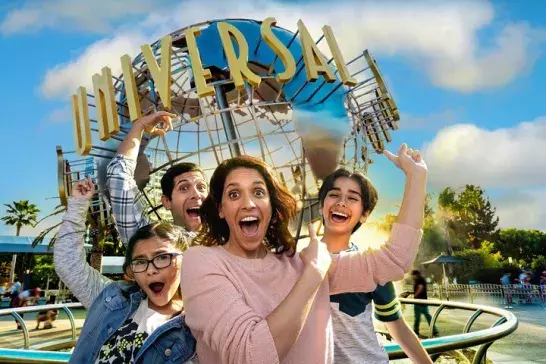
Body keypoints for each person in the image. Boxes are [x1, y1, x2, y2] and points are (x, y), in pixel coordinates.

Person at [181, 143, 426, 364]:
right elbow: (251, 355)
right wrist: (313, 274)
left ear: (272, 207)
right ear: (221, 209)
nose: (249, 204)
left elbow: (395, 260)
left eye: (258, 193)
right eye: (234, 194)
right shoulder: (201, 261)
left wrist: (416, 178)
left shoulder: (298, 262)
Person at [54, 177, 197, 363]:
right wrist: (78, 204)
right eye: (140, 262)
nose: (151, 270)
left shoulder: (197, 327)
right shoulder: (113, 299)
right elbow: (68, 264)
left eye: (162, 257)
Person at [318, 168, 432, 363]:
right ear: (321, 206)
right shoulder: (296, 262)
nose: (341, 202)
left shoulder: (371, 266)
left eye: (353, 198)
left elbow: (398, 327)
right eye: (334, 194)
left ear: (365, 214)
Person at [107, 111, 208, 244]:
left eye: (201, 187)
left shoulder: (233, 235)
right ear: (166, 201)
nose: (196, 194)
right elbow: (118, 178)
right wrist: (139, 127)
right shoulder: (154, 242)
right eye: (184, 188)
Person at [411, 270, 439, 337]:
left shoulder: (419, 280)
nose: (412, 277)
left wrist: (415, 295)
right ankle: (434, 330)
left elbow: (420, 288)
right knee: (428, 316)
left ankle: (416, 331)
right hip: (423, 302)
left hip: (419, 302)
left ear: (416, 275)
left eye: (412, 275)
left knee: (417, 317)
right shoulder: (421, 279)